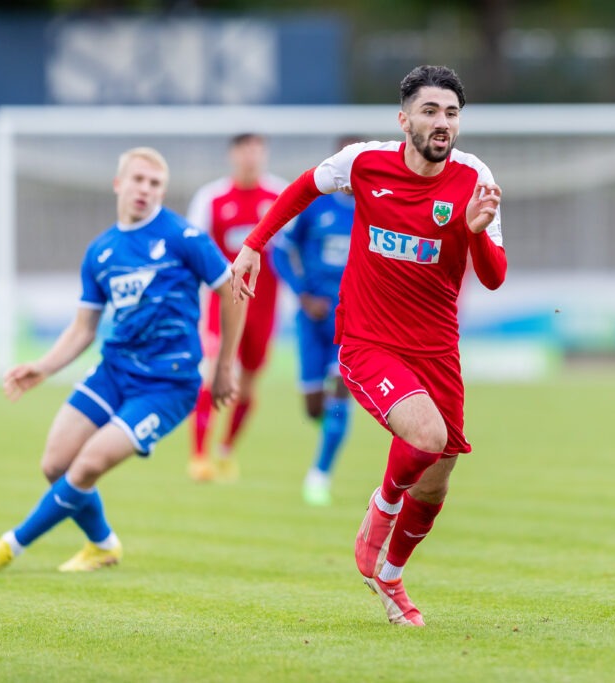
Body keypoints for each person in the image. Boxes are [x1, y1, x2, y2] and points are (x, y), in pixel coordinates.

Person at [230, 65, 506, 626]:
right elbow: (304, 187)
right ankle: (381, 508)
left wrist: (476, 233)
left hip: (437, 349)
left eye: (452, 113)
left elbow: (495, 277)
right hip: (368, 339)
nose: (442, 122)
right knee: (426, 437)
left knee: (438, 477)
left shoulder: (475, 177)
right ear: (404, 120)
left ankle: (391, 576)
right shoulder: (363, 162)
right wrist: (255, 244)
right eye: (430, 111)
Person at [0, 147, 243, 574]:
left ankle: (10, 545)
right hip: (114, 372)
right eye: (138, 180)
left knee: (88, 464)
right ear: (118, 184)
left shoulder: (183, 237)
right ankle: (102, 544)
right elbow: (83, 328)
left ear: (162, 191)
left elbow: (232, 292)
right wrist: (43, 367)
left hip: (167, 385)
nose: (145, 189)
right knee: (55, 464)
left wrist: (222, 366)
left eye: (155, 184)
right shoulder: (100, 251)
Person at [186, 133, 287, 483]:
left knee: (247, 386)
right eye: (245, 150)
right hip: (221, 304)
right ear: (233, 155)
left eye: (257, 150)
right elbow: (193, 248)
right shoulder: (211, 198)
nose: (251, 157)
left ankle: (226, 449)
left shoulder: (280, 195)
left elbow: (293, 248)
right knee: (212, 372)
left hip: (263, 307)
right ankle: (199, 456)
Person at [270, 137, 360, 506]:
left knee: (340, 387)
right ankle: (333, 428)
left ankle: (320, 473)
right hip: (311, 319)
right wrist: (302, 295)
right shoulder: (314, 204)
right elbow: (279, 251)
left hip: (353, 321)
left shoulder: (377, 209)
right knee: (313, 406)